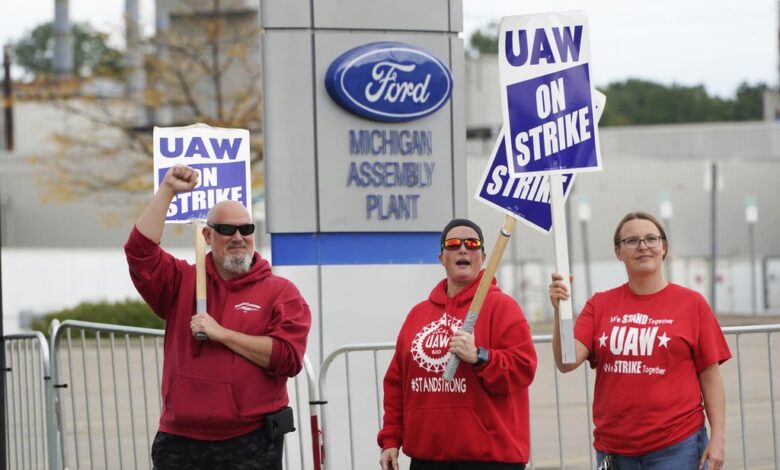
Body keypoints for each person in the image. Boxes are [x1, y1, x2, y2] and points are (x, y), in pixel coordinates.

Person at [124, 164, 311, 470]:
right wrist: (168, 189)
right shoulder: (181, 281)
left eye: (246, 229)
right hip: (180, 439)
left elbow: (288, 358)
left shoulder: (281, 292)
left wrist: (222, 333)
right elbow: (139, 251)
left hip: (250, 439)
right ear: (208, 235)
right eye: (227, 230)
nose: (238, 237)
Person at [548, 211, 731, 470]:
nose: (643, 246)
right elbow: (566, 361)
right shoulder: (600, 304)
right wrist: (560, 310)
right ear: (618, 252)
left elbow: (710, 377)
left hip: (677, 446)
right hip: (615, 450)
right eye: (631, 241)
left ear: (663, 247)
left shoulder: (692, 304)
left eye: (651, 239)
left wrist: (719, 438)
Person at [378, 218, 537, 470]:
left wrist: (480, 356)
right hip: (427, 458)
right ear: (441, 257)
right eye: (453, 244)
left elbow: (523, 368)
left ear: (483, 256)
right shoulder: (418, 314)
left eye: (472, 244)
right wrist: (390, 440)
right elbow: (397, 383)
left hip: (488, 459)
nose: (463, 249)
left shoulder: (503, 308)